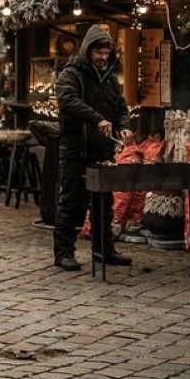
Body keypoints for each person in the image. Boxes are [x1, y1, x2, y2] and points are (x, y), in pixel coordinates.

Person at [53, 25, 134, 271]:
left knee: (103, 204)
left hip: (102, 151)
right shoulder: (71, 74)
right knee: (71, 203)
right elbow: (67, 101)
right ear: (88, 50)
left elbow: (120, 107)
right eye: (99, 52)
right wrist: (97, 118)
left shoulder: (109, 78)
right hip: (77, 149)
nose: (102, 57)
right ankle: (63, 253)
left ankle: (103, 250)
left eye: (106, 53)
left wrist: (124, 125)